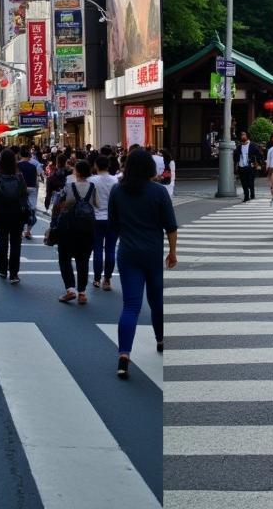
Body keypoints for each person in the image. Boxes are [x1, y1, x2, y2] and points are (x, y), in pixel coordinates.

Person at [107, 148, 177, 379]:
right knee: (156, 301)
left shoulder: (118, 191)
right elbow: (170, 226)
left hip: (127, 253)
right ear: (150, 167)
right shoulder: (158, 191)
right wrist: (173, 253)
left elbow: (113, 224)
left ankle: (123, 357)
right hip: (152, 253)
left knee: (131, 306)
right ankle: (161, 339)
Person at [52, 158, 98, 303]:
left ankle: (70, 289)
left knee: (64, 257)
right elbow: (97, 204)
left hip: (69, 227)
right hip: (87, 227)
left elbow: (60, 204)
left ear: (76, 172)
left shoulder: (69, 186)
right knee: (83, 259)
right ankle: (82, 293)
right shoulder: (92, 187)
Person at [0, 149, 27, 284]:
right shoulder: (19, 176)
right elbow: (24, 196)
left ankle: (2, 269)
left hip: (0, 213)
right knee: (16, 244)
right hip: (17, 214)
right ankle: (14, 274)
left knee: (2, 243)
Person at [90, 154, 119, 289]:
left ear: (96, 166)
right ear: (108, 166)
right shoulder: (115, 181)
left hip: (96, 218)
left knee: (97, 250)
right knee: (110, 249)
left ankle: (96, 279)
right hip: (112, 219)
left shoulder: (92, 180)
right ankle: (107, 279)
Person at [16, 148, 40, 240]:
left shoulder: (17, 165)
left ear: (20, 155)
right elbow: (36, 180)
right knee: (31, 210)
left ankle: (20, 230)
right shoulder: (33, 166)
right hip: (32, 188)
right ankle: (28, 231)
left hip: (20, 189)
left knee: (20, 209)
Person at [236, 132, 262, 202]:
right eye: (241, 135)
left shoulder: (253, 145)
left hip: (250, 166)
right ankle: (246, 196)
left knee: (250, 182)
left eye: (244, 135)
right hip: (241, 167)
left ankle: (252, 194)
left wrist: (257, 162)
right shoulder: (239, 146)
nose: (242, 136)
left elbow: (259, 154)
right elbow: (236, 157)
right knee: (244, 182)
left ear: (247, 136)